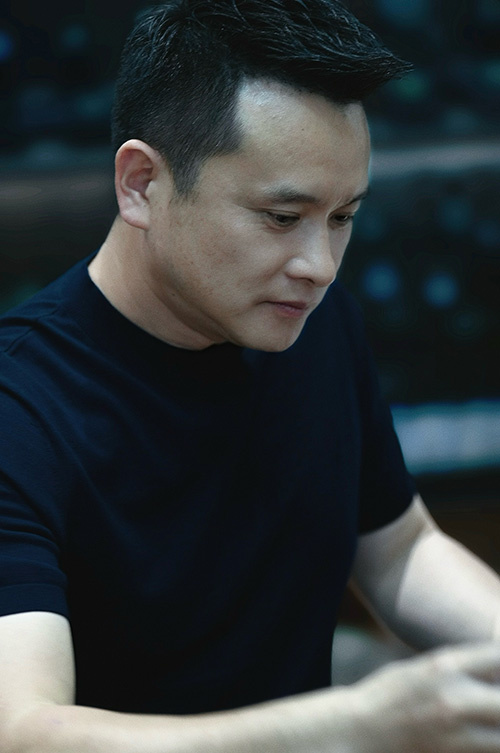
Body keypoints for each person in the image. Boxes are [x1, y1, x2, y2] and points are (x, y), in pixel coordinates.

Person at [1, 1, 500, 751]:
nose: (320, 266)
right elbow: (24, 730)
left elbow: (399, 549)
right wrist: (358, 725)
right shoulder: (20, 409)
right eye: (281, 217)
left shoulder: (313, 321)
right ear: (141, 183)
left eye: (343, 218)